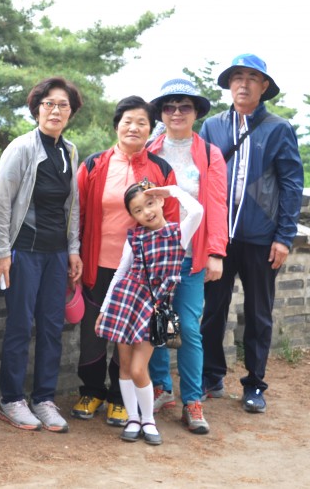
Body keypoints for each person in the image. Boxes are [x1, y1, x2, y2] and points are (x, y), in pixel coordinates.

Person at [199, 54, 304, 414]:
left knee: (258, 313)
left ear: (264, 87)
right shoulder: (212, 127)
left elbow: (292, 184)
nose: (243, 84)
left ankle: (255, 384)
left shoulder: (278, 128)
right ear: (229, 85)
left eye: (252, 78)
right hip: (219, 238)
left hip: (262, 238)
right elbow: (200, 179)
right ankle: (211, 376)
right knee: (213, 309)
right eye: (237, 77)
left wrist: (284, 237)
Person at [72, 96, 179, 426]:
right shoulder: (94, 165)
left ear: (151, 129)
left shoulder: (160, 170)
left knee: (129, 335)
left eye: (142, 122)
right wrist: (73, 251)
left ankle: (121, 397)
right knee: (94, 331)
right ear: (116, 125)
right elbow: (76, 214)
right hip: (98, 263)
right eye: (128, 121)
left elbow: (171, 219)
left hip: (142, 274)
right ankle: (91, 391)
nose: (134, 127)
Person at [0, 77, 83, 433]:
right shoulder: (21, 148)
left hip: (56, 254)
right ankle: (11, 398)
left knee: (51, 327)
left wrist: (73, 249)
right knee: (19, 325)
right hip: (23, 252)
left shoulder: (69, 151)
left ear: (70, 112)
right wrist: (1, 252)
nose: (55, 110)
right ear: (37, 109)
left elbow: (71, 206)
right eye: (49, 104)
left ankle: (44, 398)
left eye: (62, 105)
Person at [146, 79, 228, 434]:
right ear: (160, 113)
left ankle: (192, 399)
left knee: (189, 328)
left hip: (191, 256)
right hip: (154, 255)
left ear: (196, 112)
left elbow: (216, 206)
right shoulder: (150, 149)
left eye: (184, 107)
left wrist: (215, 252)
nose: (176, 113)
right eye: (169, 107)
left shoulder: (210, 154)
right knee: (155, 325)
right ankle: (162, 386)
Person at [96, 182, 202, 446]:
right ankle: (133, 419)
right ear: (133, 216)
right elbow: (120, 273)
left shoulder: (179, 233)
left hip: (154, 309)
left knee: (138, 367)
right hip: (126, 303)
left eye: (150, 203)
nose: (146, 212)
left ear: (160, 202)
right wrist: (104, 308)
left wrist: (172, 191)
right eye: (138, 210)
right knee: (123, 366)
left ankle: (148, 420)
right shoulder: (135, 238)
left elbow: (197, 211)